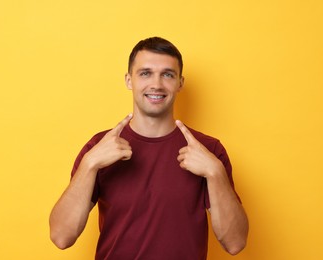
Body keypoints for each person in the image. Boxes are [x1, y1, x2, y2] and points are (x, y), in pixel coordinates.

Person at [49, 37, 249, 259]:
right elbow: (61, 236)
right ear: (128, 80)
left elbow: (235, 243)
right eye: (145, 73)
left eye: (167, 74)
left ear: (180, 83)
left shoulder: (209, 150)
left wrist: (215, 173)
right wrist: (89, 164)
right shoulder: (98, 147)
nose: (156, 84)